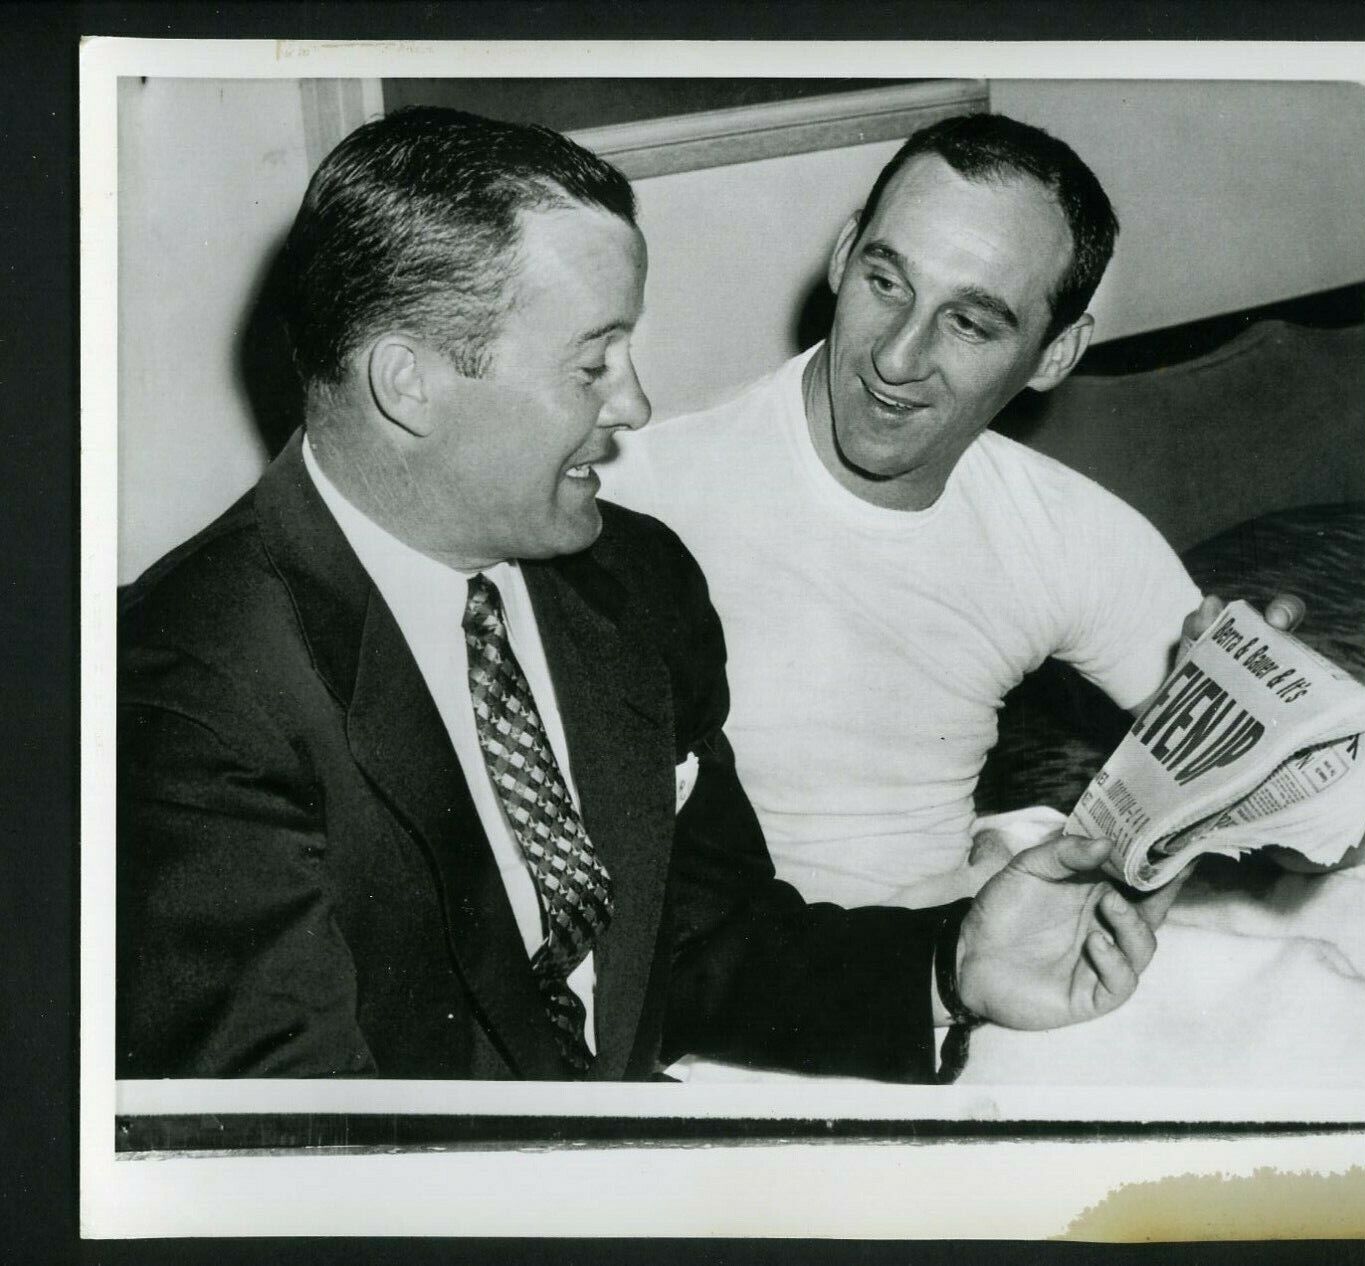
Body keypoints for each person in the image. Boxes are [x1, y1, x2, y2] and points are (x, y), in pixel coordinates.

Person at [117, 106, 1164, 1083]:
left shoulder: (634, 579)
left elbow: (702, 946)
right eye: (592, 363)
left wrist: (950, 965)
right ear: (411, 383)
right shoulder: (185, 692)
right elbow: (297, 1154)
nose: (637, 403)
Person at [603, 113, 1307, 911]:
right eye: (886, 282)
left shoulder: (1066, 532)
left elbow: (1318, 839)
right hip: (712, 982)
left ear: (1054, 355)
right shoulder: (638, 493)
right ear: (842, 256)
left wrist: (1278, 734)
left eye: (968, 322)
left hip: (955, 960)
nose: (895, 358)